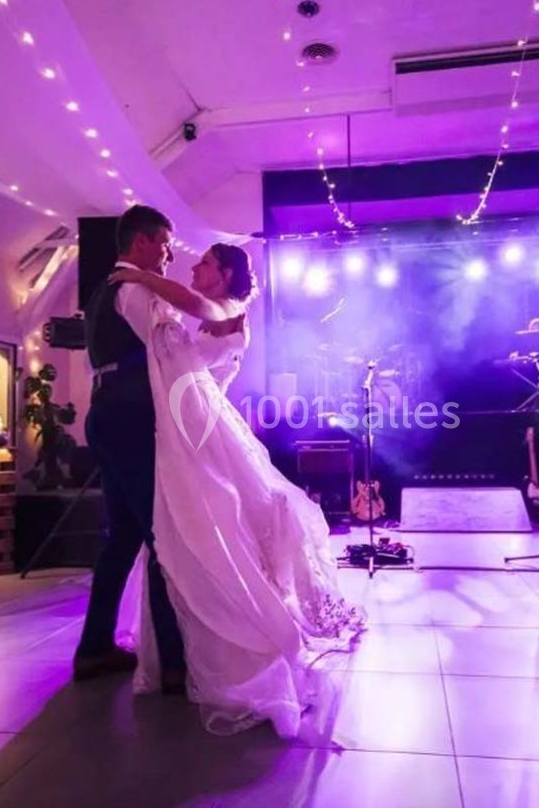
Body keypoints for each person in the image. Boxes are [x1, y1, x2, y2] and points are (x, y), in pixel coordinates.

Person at [103, 236, 365, 738]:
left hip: (204, 429)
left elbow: (193, 303)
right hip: (196, 424)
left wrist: (140, 276)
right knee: (194, 527)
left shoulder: (224, 307)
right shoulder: (217, 312)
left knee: (213, 526)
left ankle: (245, 643)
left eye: (203, 263)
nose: (193, 268)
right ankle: (185, 643)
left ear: (223, 274)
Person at [73, 205, 187, 693]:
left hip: (106, 414)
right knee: (162, 536)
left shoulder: (104, 290)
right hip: (130, 417)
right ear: (140, 242)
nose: (167, 255)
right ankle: (175, 664)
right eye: (163, 244)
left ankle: (94, 649)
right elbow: (164, 349)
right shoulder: (136, 289)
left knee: (121, 538)